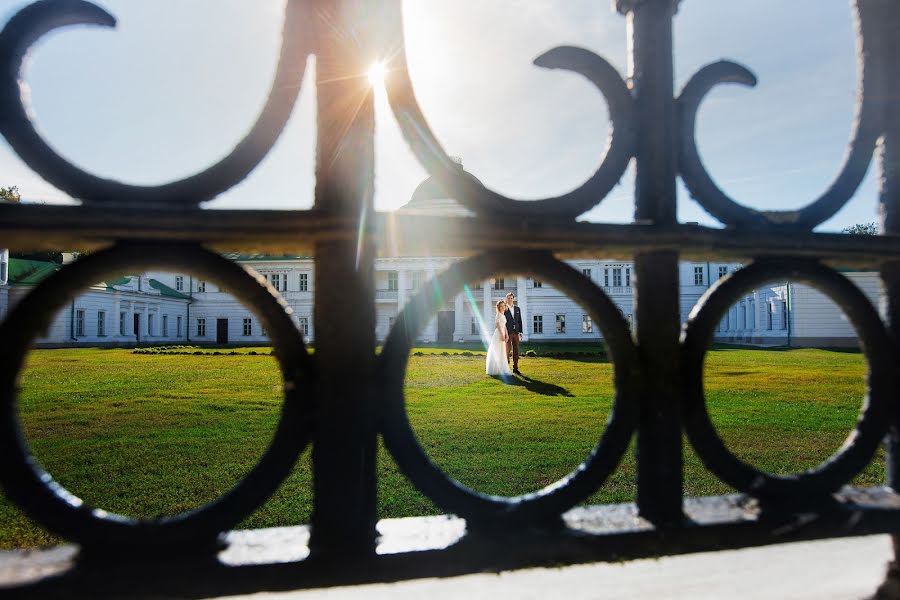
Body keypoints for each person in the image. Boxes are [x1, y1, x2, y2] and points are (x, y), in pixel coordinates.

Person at [486, 300, 513, 377]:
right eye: (500, 306)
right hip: (498, 334)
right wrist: (502, 335)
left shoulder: (503, 315)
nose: (502, 307)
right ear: (498, 307)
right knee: (498, 350)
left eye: (503, 306)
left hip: (503, 333)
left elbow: (504, 326)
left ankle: (502, 368)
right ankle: (495, 369)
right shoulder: (498, 315)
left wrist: (507, 335)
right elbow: (498, 325)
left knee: (502, 351)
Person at [504, 292, 523, 375]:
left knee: (516, 351)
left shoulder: (517, 309)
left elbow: (520, 321)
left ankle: (515, 368)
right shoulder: (504, 309)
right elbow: (503, 322)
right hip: (508, 333)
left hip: (516, 333)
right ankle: (506, 369)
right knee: (507, 351)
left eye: (511, 298)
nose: (510, 299)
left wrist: (520, 332)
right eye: (508, 298)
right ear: (506, 299)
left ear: (513, 299)